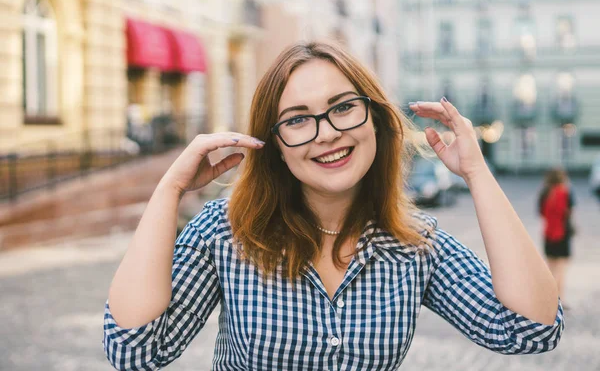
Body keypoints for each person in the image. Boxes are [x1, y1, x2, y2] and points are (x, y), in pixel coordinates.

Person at [103, 42, 563, 370]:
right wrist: (169, 190)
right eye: (298, 119)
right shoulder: (227, 232)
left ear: (376, 121)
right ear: (276, 144)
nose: (326, 133)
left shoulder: (415, 242)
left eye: (343, 107)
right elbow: (136, 350)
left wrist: (478, 175)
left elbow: (531, 330)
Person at [538, 168, 575, 307]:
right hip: (562, 234)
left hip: (548, 233)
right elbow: (570, 212)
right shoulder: (566, 192)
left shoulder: (545, 192)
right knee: (560, 269)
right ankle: (560, 298)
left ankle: (550, 298)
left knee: (551, 268)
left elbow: (541, 212)